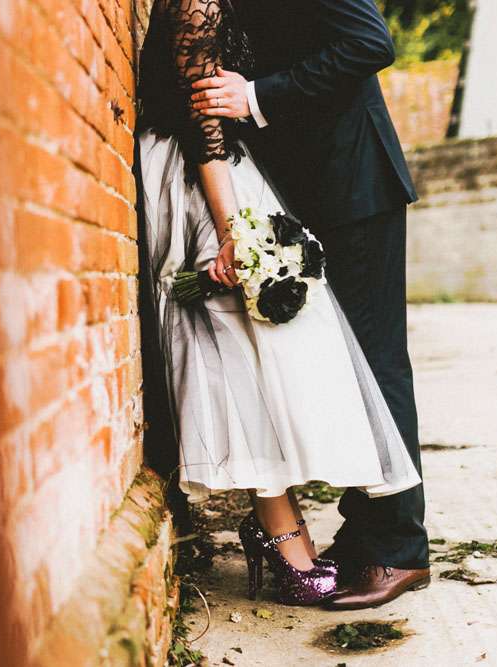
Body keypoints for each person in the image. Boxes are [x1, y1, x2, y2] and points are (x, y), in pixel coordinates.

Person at [135, 0, 424, 606]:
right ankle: (364, 533)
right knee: (343, 361)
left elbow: (369, 41)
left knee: (375, 362)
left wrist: (255, 97)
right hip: (297, 185)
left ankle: (396, 549)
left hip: (352, 182)